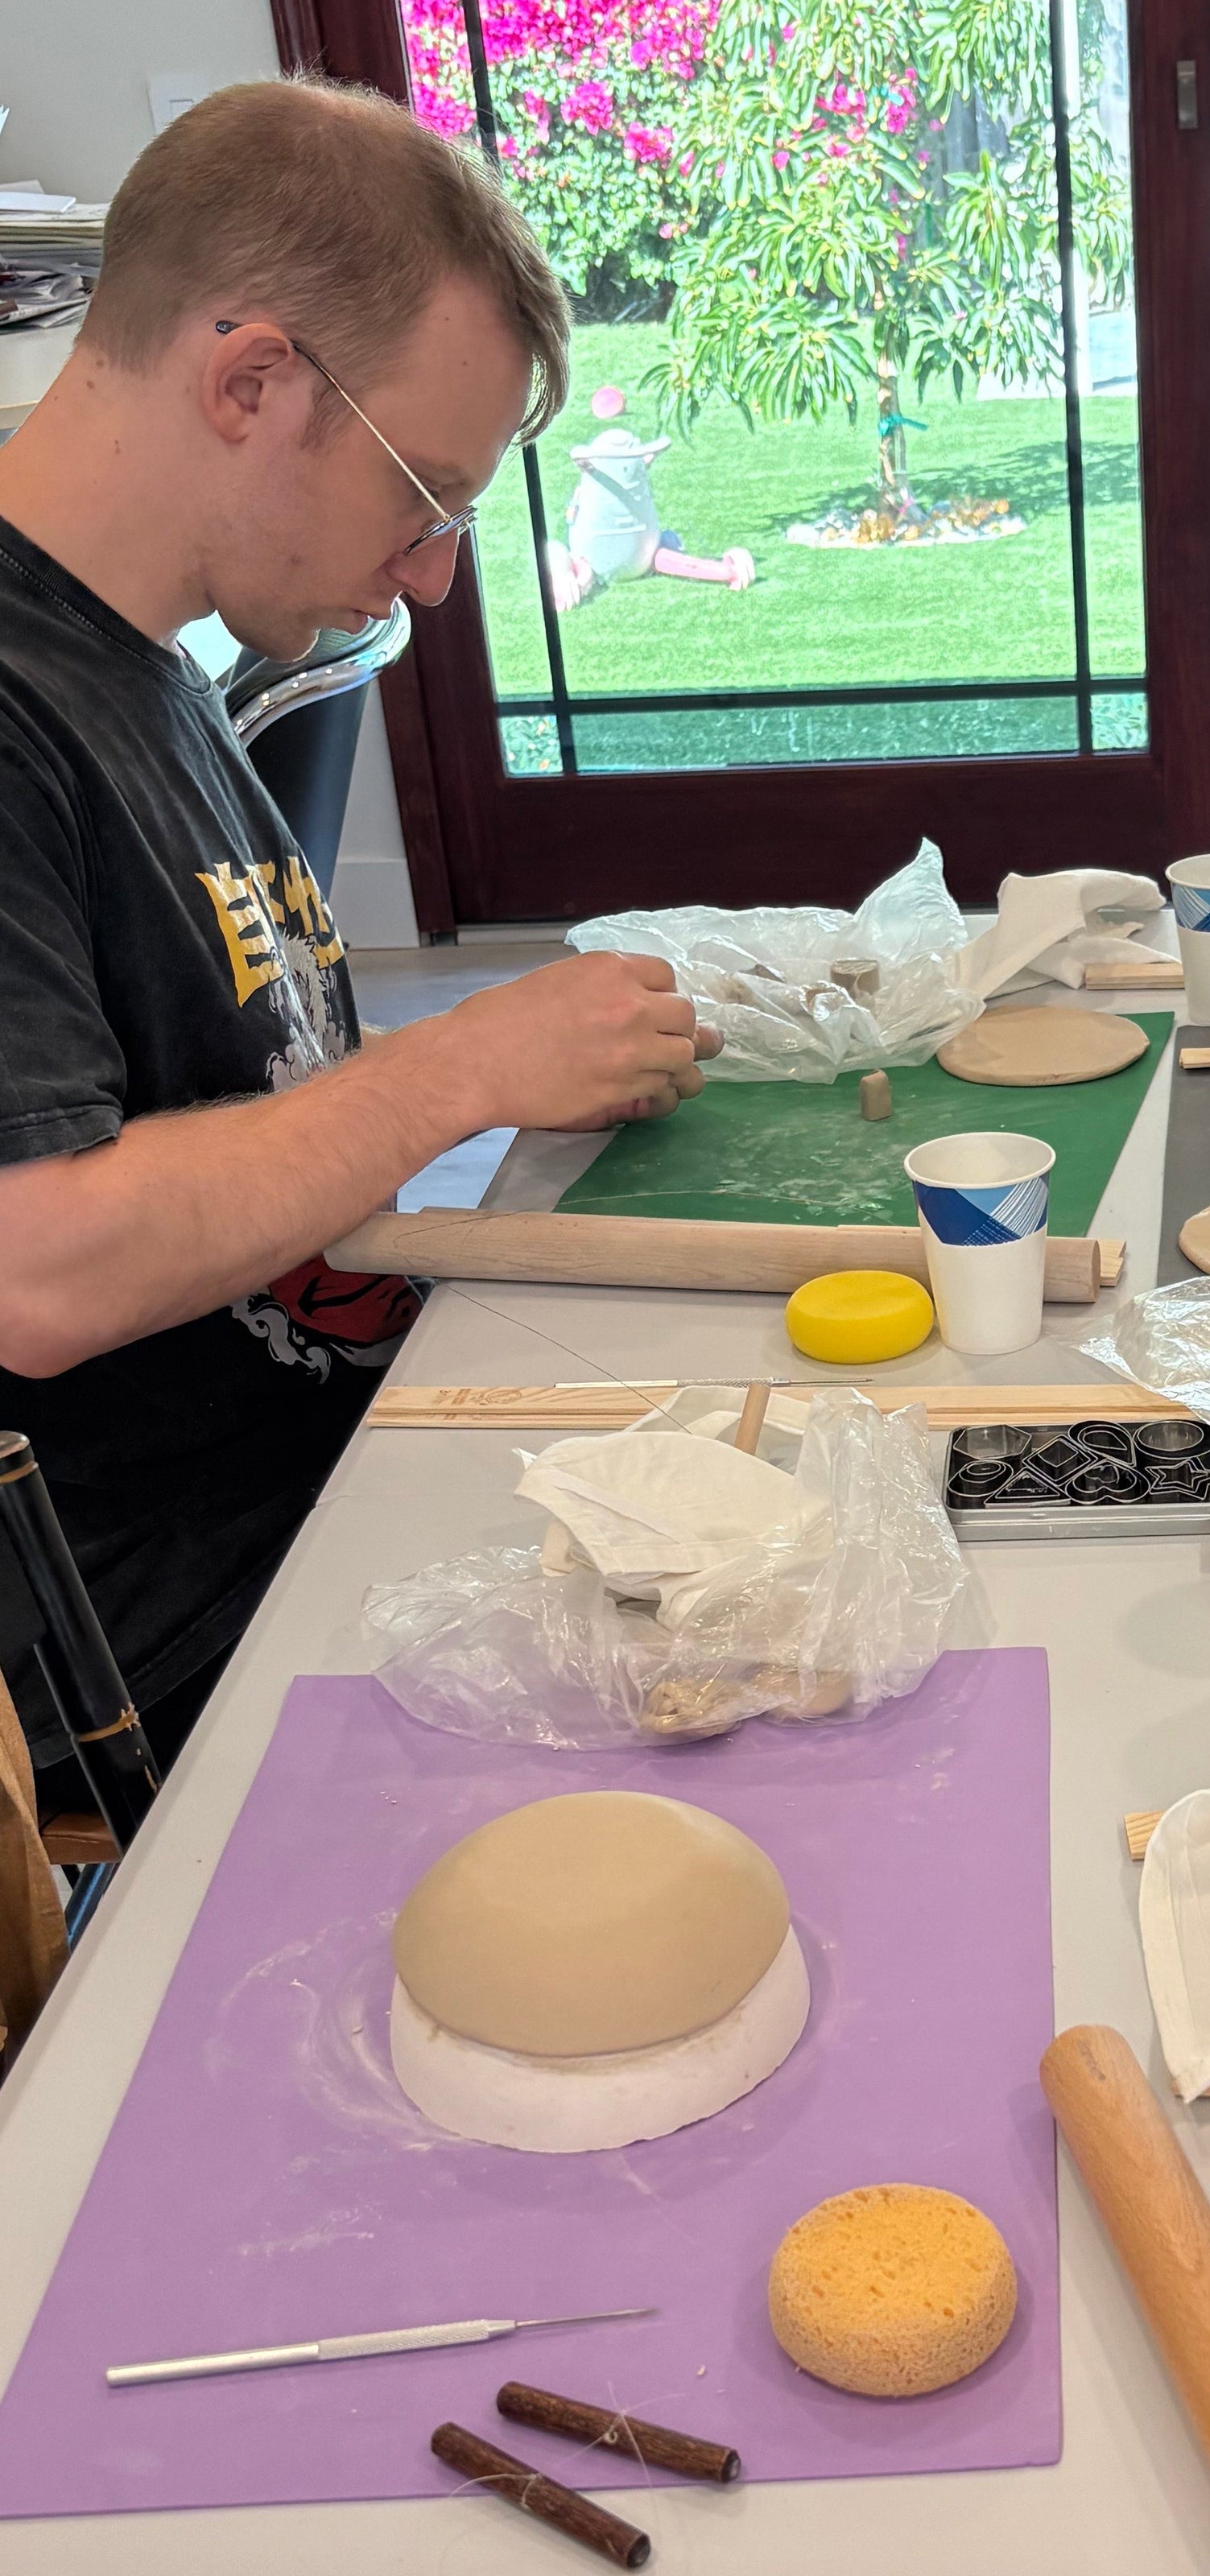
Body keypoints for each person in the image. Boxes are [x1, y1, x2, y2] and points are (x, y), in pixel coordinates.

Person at [0, 80, 719, 1786]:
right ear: (249, 382)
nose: (435, 577)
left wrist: (484, 1077)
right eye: (425, 494)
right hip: (179, 1630)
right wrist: (458, 1067)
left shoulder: (150, 670)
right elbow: (35, 1266)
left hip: (326, 1462)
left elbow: (225, 1097)